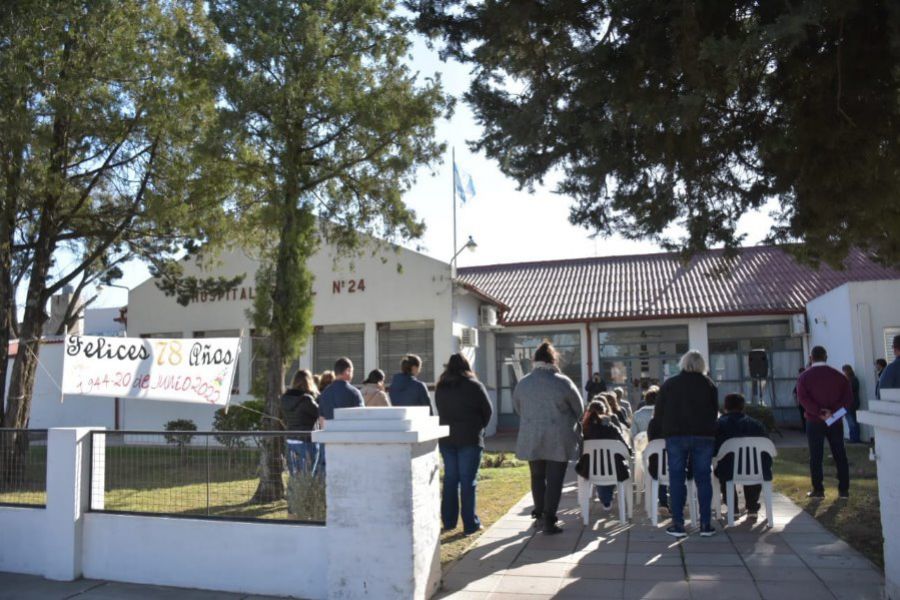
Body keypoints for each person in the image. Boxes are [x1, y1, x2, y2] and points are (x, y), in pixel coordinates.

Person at [513, 341, 584, 535]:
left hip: (531, 436)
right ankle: (549, 520)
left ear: (535, 360)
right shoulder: (563, 382)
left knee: (537, 476)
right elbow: (579, 410)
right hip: (558, 438)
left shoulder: (524, 383)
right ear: (554, 360)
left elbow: (518, 409)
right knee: (554, 480)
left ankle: (539, 515)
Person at [655, 349, 719, 538]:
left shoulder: (670, 384)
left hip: (675, 436)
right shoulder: (709, 385)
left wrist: (663, 429)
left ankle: (678, 524)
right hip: (703, 436)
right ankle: (706, 524)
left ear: (683, 363)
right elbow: (714, 412)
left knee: (676, 479)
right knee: (703, 479)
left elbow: (659, 413)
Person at [435, 353, 493, 535]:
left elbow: (440, 408)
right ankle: (470, 524)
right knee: (468, 481)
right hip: (470, 437)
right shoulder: (475, 385)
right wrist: (479, 427)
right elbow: (488, 410)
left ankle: (449, 521)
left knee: (451, 479)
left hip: (446, 438)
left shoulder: (441, 387)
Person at [796, 346, 852, 499]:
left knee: (816, 456)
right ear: (826, 357)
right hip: (834, 421)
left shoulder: (804, 377)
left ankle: (818, 490)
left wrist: (819, 412)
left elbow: (803, 399)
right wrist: (833, 414)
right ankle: (844, 489)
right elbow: (848, 401)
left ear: (811, 358)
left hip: (814, 420)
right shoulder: (839, 376)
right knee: (840, 454)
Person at [714, 393, 772, 520]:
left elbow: (714, 450)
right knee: (754, 466)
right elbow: (768, 450)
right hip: (755, 470)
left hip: (728, 470)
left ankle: (732, 507)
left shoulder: (719, 425)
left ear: (725, 407)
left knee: (724, 468)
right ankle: (752, 507)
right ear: (743, 407)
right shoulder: (757, 425)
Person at [576, 400, 631, 511]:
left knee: (598, 466)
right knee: (613, 466)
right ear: (605, 411)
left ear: (588, 412)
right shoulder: (611, 428)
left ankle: (605, 498)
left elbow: (579, 453)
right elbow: (626, 451)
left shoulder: (584, 430)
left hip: (589, 469)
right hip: (614, 470)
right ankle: (606, 498)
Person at [281, 369, 320, 475]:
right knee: (308, 475)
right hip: (306, 440)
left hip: (291, 439)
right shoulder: (307, 399)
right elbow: (319, 412)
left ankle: (294, 492)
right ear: (309, 382)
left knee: (294, 475)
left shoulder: (285, 398)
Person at [842, 365, 862, 443]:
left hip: (851, 404)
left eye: (844, 371)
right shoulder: (852, 379)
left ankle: (855, 438)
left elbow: (849, 390)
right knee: (851, 420)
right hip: (850, 403)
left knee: (852, 421)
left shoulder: (852, 380)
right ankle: (853, 437)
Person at [793, 367, 806, 432]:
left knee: (805, 416)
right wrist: (796, 402)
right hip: (802, 402)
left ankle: (805, 429)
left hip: (803, 402)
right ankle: (805, 429)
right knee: (804, 416)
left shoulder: (801, 380)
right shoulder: (799, 381)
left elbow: (795, 393)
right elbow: (795, 393)